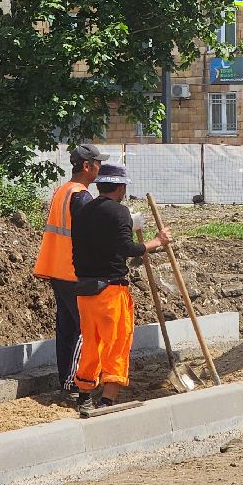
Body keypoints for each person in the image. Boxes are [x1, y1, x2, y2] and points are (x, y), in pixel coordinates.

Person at [69, 162, 170, 415]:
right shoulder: (119, 212)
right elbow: (128, 249)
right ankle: (107, 400)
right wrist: (157, 241)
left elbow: (98, 240)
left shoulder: (83, 212)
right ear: (121, 187)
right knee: (116, 344)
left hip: (85, 290)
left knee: (91, 344)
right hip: (111, 290)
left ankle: (84, 396)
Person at [32, 143, 102, 395]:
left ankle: (66, 380)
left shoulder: (62, 190)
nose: (99, 169)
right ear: (86, 166)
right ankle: (76, 381)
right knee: (85, 329)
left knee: (67, 328)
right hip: (74, 272)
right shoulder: (81, 196)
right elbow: (90, 235)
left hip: (57, 269)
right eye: (97, 164)